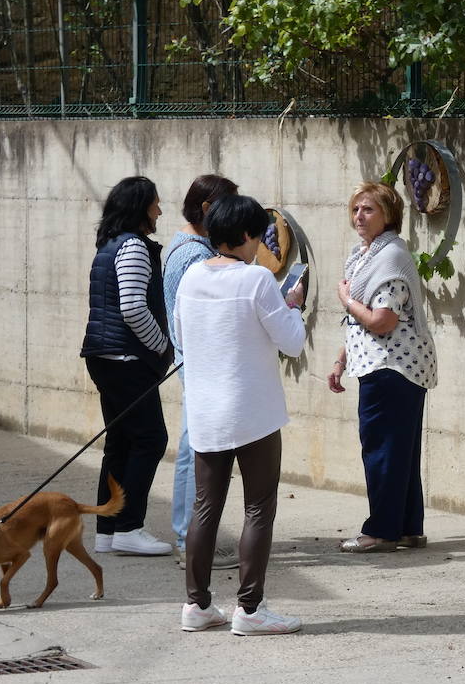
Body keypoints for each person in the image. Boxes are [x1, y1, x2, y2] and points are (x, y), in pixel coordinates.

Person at [175, 193, 307, 635]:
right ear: (248, 235)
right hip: (253, 411)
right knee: (258, 508)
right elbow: (292, 342)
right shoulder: (256, 280)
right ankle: (250, 609)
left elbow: (182, 333)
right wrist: (295, 305)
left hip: (206, 410)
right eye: (258, 237)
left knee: (205, 507)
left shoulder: (191, 276)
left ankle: (196, 605)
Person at [328, 181, 438, 554]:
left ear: (389, 215)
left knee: (382, 451)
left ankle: (381, 531)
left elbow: (381, 321)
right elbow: (363, 323)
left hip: (392, 367)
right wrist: (342, 359)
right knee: (399, 452)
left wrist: (345, 300)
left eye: (369, 209)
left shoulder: (389, 258)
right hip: (383, 365)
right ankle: (407, 528)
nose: (359, 216)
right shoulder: (365, 256)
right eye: (356, 209)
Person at [80, 176, 174, 556]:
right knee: (151, 439)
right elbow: (133, 306)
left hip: (105, 357)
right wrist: (162, 347)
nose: (160, 211)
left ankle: (108, 529)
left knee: (120, 442)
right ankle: (129, 526)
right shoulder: (133, 247)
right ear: (140, 208)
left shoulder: (109, 245)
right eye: (155, 204)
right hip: (126, 359)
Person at [163, 173, 240, 570]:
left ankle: (186, 536)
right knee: (198, 452)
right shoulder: (195, 256)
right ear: (208, 210)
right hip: (201, 365)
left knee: (195, 449)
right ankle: (188, 539)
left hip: (193, 363)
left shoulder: (182, 244)